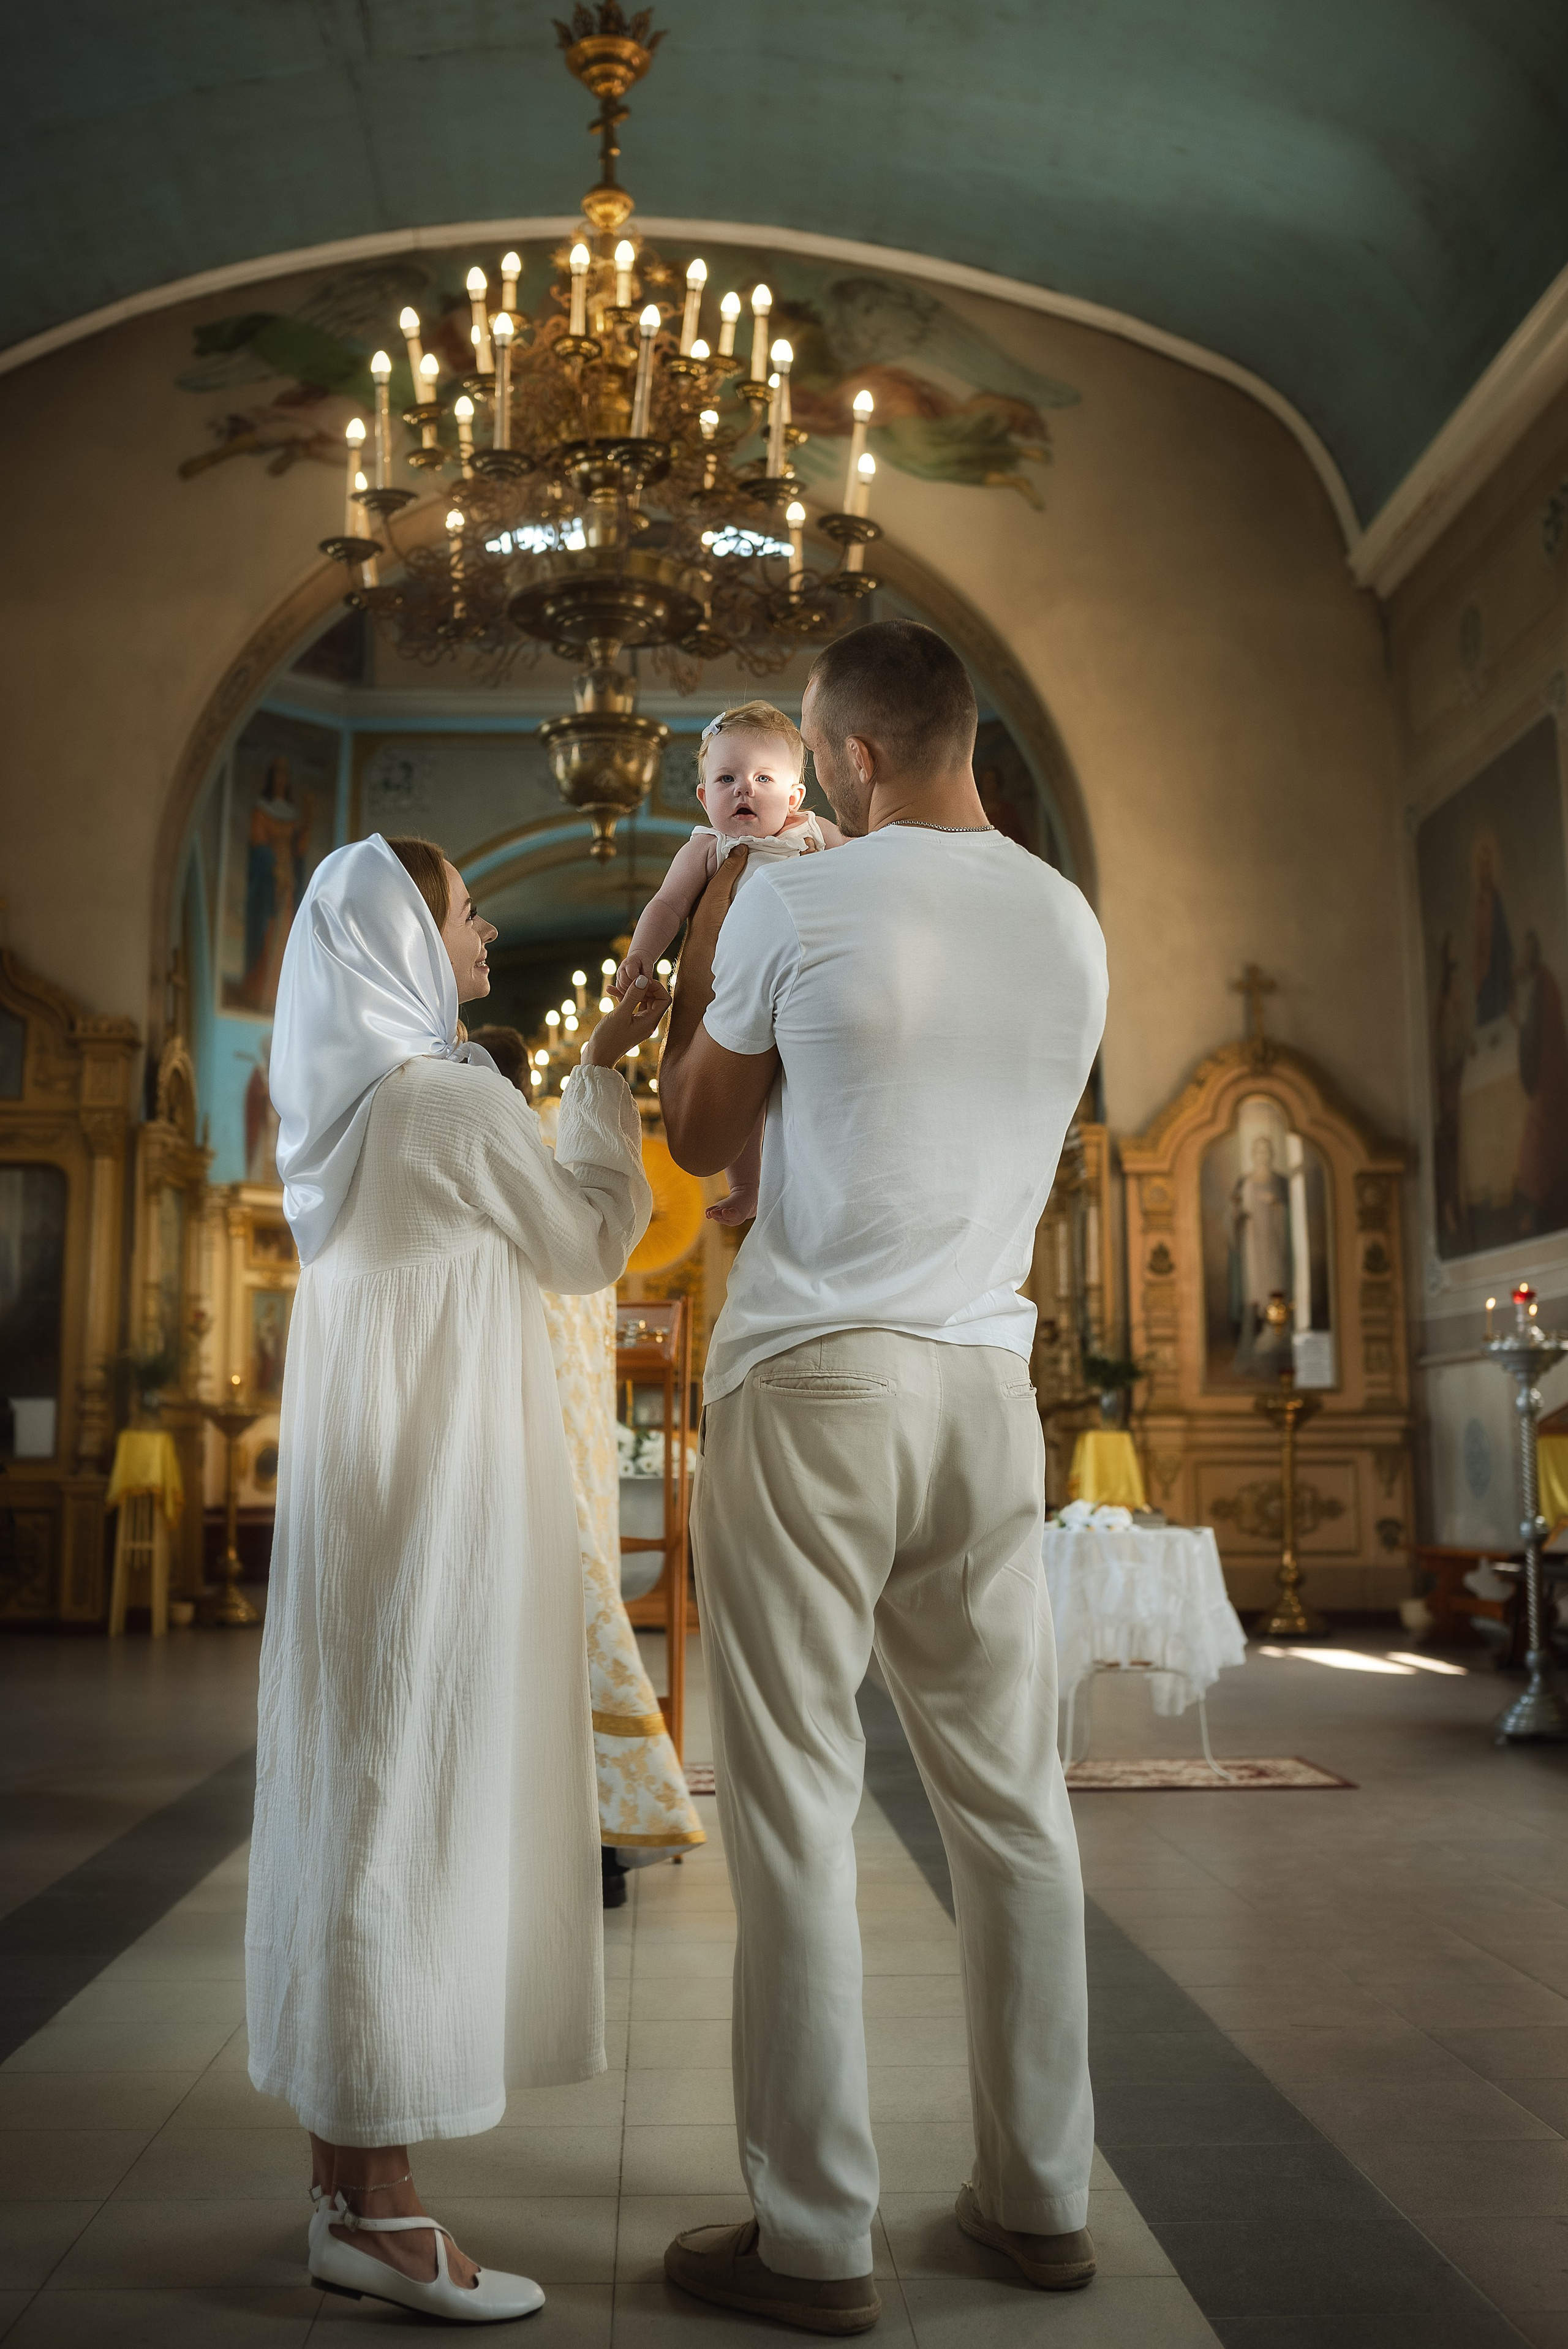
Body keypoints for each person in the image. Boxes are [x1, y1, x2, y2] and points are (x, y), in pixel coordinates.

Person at [655, 619, 1108, 2334]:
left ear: (844, 757)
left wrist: (695, 981)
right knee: (1012, 1802)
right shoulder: (1069, 919)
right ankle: (1038, 2200)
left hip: (815, 1373)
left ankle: (816, 2235)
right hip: (989, 1387)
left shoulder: (797, 895)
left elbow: (704, 1140)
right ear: (962, 735)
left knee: (788, 1803)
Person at [246, 833, 665, 2324]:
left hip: (359, 1505)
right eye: (461, 913)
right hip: (430, 1513)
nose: (480, 935)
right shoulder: (444, 1098)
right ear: (405, 943)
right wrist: (607, 1073)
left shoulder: (336, 1108)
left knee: (349, 1798)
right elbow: (587, 1237)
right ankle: (390, 2213)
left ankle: (336, 2185)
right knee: (406, 1813)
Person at [470, 1023, 706, 1901]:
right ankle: (595, 1836)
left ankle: (570, 1839)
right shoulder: (566, 1167)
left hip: (519, 1446)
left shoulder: (493, 1167)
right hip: (574, 1452)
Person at [616, 700, 844, 1224]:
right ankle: (747, 1184)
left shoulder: (814, 832)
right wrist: (642, 955)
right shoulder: (708, 848)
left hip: (806, 991)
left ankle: (816, 1174)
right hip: (729, 995)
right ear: (704, 797)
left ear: (795, 796)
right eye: (726, 778)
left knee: (801, 1089)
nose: (744, 788)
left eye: (764, 777)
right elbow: (667, 905)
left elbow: (866, 859)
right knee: (740, 1096)